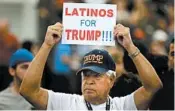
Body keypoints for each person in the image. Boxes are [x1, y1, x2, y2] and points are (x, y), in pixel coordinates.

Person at [19, 22, 163, 110]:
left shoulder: (123, 106)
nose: (89, 80)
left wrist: (130, 46)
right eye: (86, 75)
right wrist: (46, 45)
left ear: (112, 80)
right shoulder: (66, 103)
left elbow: (153, 86)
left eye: (97, 75)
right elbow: (28, 91)